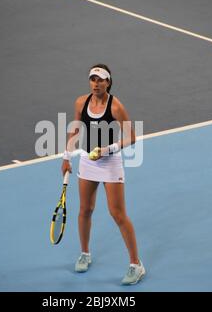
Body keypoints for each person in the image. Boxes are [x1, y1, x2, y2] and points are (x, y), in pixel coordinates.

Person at [61, 64, 145, 285]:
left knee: (117, 214)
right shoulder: (81, 102)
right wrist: (67, 157)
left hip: (110, 163)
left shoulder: (115, 106)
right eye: (92, 79)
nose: (95, 84)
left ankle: (136, 265)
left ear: (108, 82)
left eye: (100, 80)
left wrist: (108, 150)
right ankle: (85, 253)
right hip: (87, 161)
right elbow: (76, 130)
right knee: (85, 209)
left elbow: (132, 137)